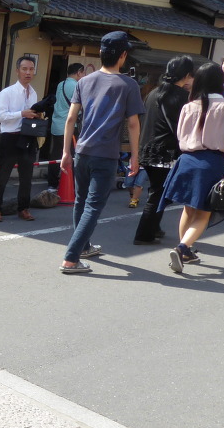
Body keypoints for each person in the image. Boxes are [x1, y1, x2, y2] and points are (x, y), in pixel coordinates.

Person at [59, 31, 144, 273]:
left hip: (82, 151)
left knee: (81, 202)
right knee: (93, 206)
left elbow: (71, 118)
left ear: (101, 53)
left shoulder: (84, 82)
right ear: (123, 56)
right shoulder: (128, 84)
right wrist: (135, 156)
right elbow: (133, 124)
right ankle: (71, 258)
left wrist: (66, 152)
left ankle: (84, 247)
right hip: (106, 154)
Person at [158, 63, 224, 273]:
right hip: (211, 162)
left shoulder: (188, 106)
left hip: (187, 160)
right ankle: (182, 248)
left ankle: (185, 250)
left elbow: (180, 136)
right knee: (204, 213)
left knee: (188, 208)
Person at [133, 56, 194, 245]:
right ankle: (144, 235)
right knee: (158, 194)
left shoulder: (154, 92)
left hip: (148, 149)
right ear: (187, 75)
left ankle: (154, 227)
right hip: (164, 152)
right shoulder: (180, 96)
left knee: (158, 191)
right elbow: (180, 128)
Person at [0, 56, 41, 221]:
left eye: (31, 69)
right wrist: (22, 113)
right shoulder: (7, 93)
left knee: (26, 176)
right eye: (24, 69)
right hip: (10, 137)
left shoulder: (33, 93)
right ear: (17, 71)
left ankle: (23, 208)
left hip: (28, 136)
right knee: (3, 175)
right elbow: (0, 116)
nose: (28, 72)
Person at [41, 63, 84, 193]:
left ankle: (52, 184)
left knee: (56, 155)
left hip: (56, 124)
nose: (83, 76)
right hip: (69, 127)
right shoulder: (76, 86)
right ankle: (70, 185)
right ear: (79, 72)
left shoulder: (61, 84)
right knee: (72, 156)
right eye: (83, 73)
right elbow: (81, 105)